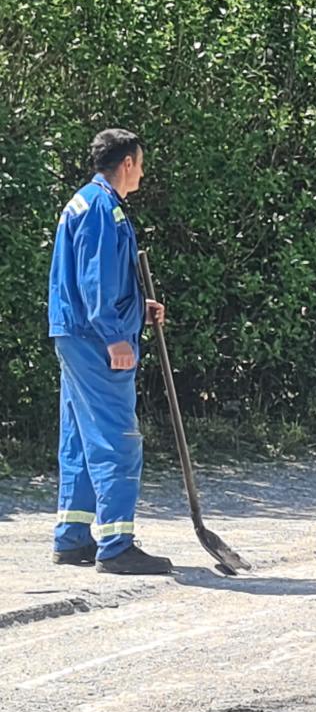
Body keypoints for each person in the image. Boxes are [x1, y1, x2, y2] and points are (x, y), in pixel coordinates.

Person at [48, 128, 172, 576]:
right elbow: (96, 278)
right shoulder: (103, 207)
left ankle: (72, 537)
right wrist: (115, 334)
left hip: (75, 333)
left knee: (80, 438)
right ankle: (117, 545)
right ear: (126, 164)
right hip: (95, 337)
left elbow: (98, 276)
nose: (142, 171)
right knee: (118, 438)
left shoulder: (86, 200)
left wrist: (140, 308)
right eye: (140, 162)